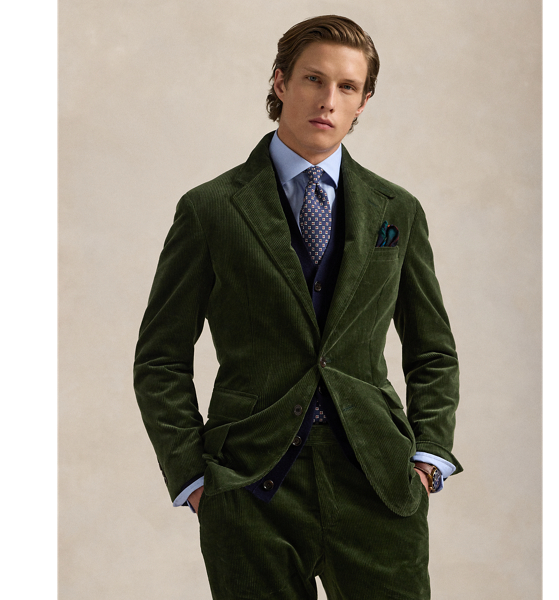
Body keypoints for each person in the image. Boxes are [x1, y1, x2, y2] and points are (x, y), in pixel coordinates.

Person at [134, 14, 461, 600]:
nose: (328, 100)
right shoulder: (211, 209)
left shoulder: (397, 211)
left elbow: (432, 349)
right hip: (249, 486)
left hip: (378, 482)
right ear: (281, 82)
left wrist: (428, 456)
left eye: (347, 87)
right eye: (314, 79)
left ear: (363, 102)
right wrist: (194, 478)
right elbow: (160, 357)